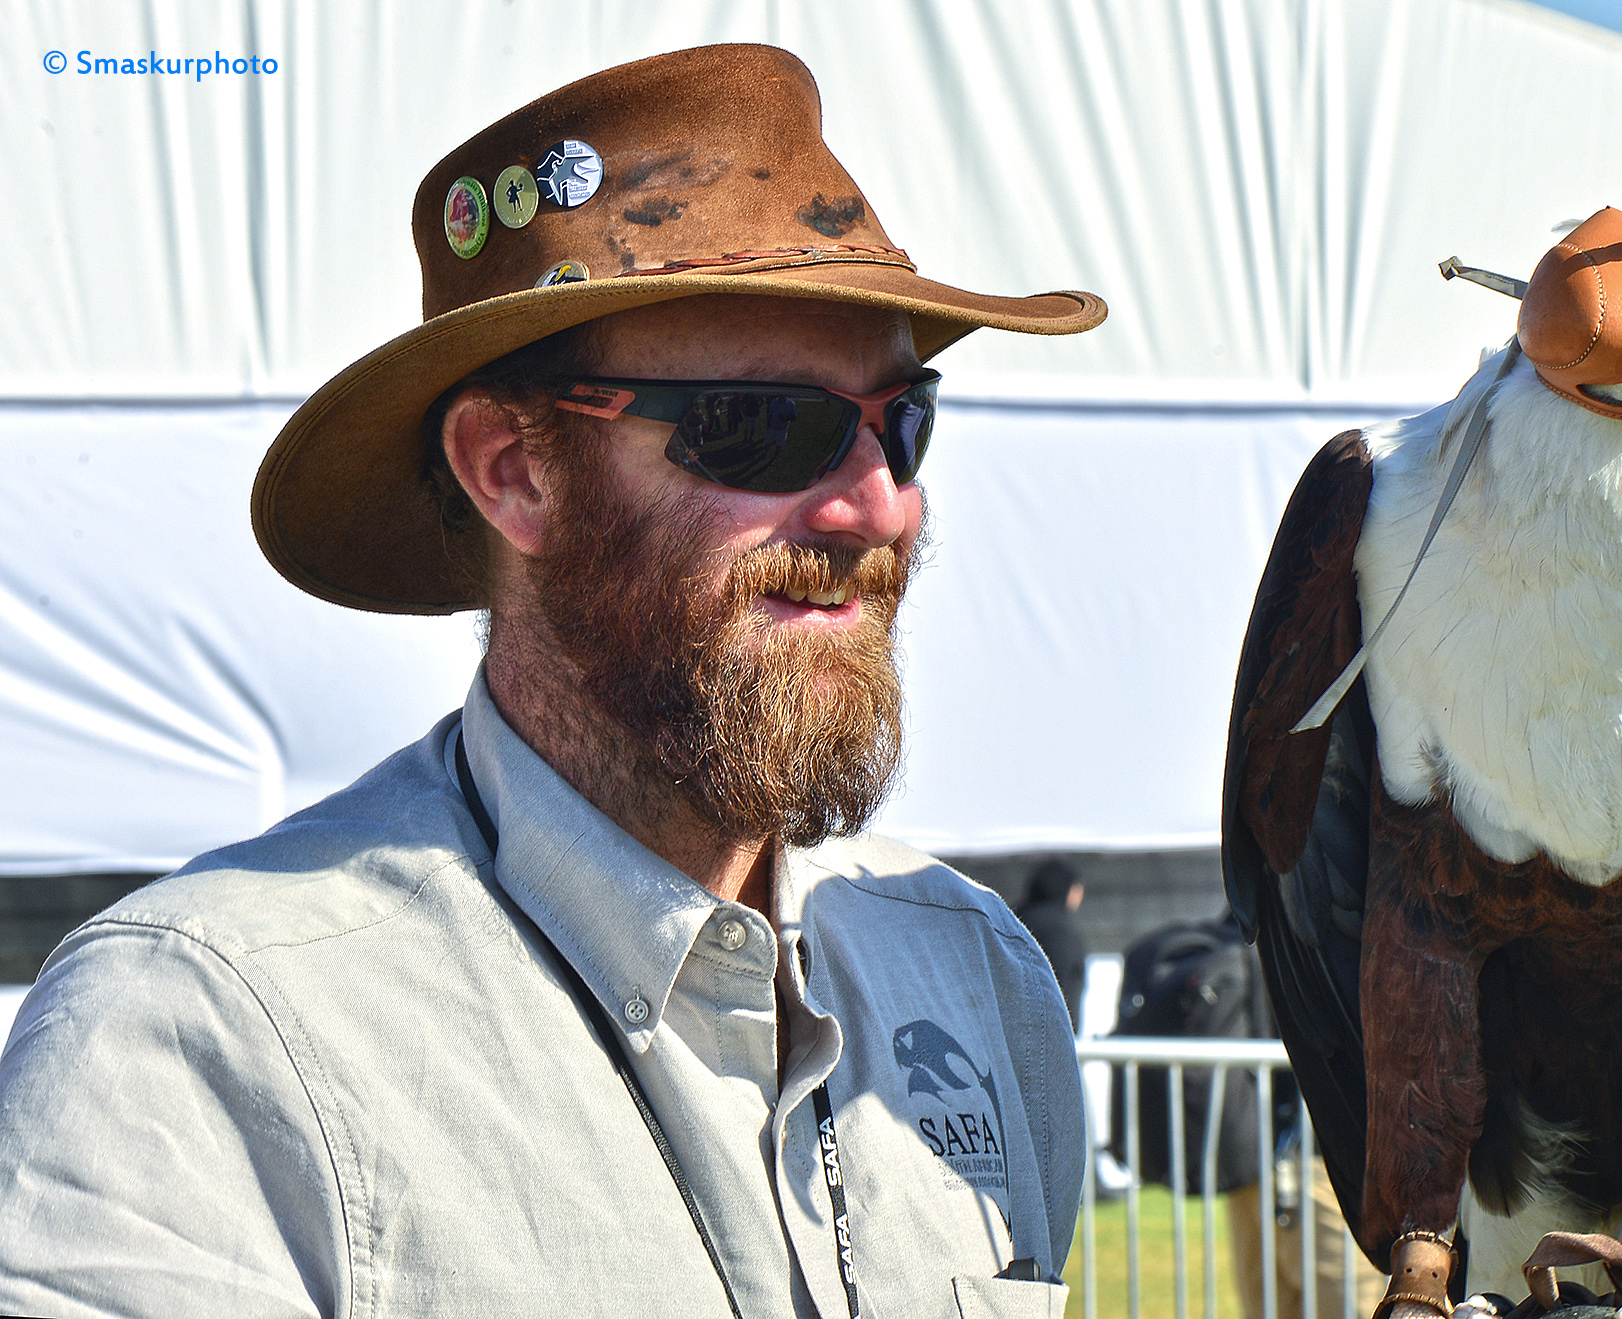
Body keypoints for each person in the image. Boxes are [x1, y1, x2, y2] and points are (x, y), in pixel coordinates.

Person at [0, 45, 1106, 1316]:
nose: (881, 503)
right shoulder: (196, 1038)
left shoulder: (976, 976)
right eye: (762, 427)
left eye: (900, 421)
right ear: (510, 469)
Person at [1012, 856, 1087, 1031]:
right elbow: (1066, 991)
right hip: (1045, 1040)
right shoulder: (1061, 931)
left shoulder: (1010, 919)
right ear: (1071, 890)